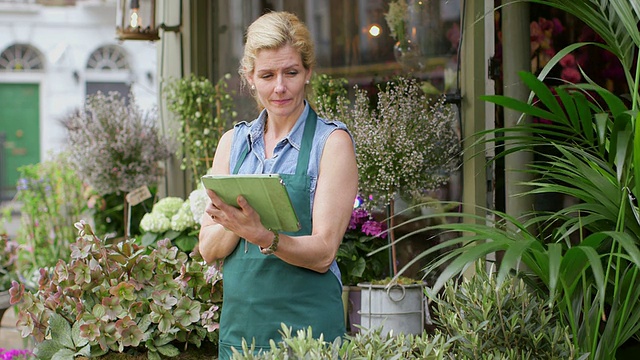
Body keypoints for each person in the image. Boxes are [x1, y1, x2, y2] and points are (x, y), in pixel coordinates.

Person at [197, 11, 358, 359]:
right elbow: (208, 249)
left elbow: (324, 252)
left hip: (310, 338)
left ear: (308, 72)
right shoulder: (232, 143)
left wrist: (261, 235)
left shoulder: (331, 143)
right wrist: (239, 224)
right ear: (250, 77)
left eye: (291, 73)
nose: (280, 87)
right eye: (267, 75)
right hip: (242, 335)